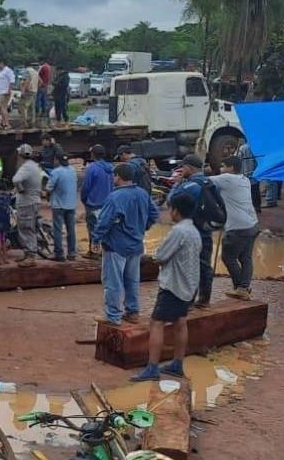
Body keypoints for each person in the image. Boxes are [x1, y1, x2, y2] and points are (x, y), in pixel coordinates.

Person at [132, 193, 200, 382]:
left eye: (170, 208)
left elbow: (161, 256)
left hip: (174, 284)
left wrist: (151, 257)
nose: (169, 212)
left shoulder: (178, 231)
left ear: (176, 211)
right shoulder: (194, 230)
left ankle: (152, 367)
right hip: (189, 284)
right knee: (180, 322)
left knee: (156, 323)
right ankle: (177, 364)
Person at [91, 164, 160, 325]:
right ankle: (133, 312)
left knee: (113, 283)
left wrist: (96, 239)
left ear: (118, 177)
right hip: (136, 245)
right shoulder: (142, 194)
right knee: (132, 281)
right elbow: (154, 214)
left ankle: (113, 316)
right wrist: (142, 227)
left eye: (114, 176)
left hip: (116, 246)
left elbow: (104, 222)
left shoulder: (115, 197)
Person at [167, 155, 225, 308]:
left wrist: (176, 185)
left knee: (190, 266)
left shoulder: (190, 186)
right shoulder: (210, 182)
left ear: (189, 168)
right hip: (206, 229)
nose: (181, 170)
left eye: (183, 167)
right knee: (205, 264)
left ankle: (188, 300)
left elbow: (172, 202)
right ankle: (204, 299)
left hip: (192, 231)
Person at [209, 155, 259, 300]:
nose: (221, 169)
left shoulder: (227, 178)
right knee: (246, 258)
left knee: (228, 257)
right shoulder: (245, 180)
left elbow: (203, 181)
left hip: (238, 227)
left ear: (231, 168)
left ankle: (240, 288)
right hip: (252, 224)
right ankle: (244, 287)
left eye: (223, 166)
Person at [11, 144, 43, 267]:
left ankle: (30, 255)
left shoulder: (26, 167)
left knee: (26, 228)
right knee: (30, 227)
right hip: (34, 200)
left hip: (26, 202)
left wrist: (20, 189)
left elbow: (16, 180)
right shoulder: (34, 166)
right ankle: (28, 253)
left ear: (20, 155)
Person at [81, 144, 114, 258]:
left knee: (93, 229)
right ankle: (106, 251)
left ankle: (94, 252)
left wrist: (84, 199)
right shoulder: (110, 168)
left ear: (93, 154)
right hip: (108, 204)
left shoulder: (92, 168)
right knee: (106, 228)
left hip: (94, 204)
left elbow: (86, 187)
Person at [46, 154, 78, 262]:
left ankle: (59, 254)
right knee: (71, 229)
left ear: (57, 160)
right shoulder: (73, 170)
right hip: (71, 204)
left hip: (59, 205)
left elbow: (49, 187)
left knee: (58, 230)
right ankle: (72, 253)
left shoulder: (56, 172)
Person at [236, 141, 261, 212]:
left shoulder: (243, 148)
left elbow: (238, 158)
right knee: (255, 190)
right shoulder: (256, 147)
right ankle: (257, 206)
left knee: (246, 191)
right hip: (255, 172)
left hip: (245, 172)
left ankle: (249, 207)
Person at [0, 59, 16, 129]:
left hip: (4, 92)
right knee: (0, 108)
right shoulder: (1, 72)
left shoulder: (8, 71)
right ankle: (3, 123)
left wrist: (9, 90)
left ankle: (7, 124)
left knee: (3, 108)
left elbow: (12, 81)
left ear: (2, 63)